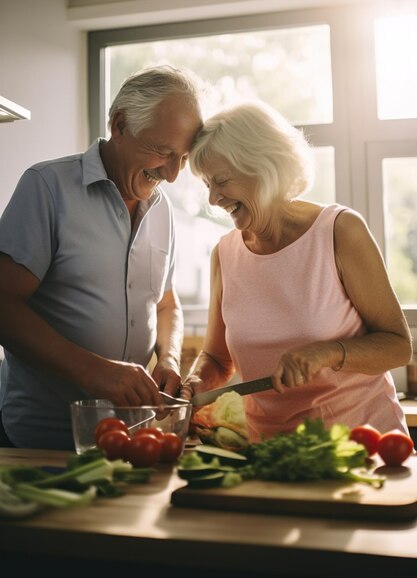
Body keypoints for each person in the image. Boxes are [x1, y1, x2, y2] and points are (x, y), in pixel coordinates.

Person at [180, 101, 413, 442]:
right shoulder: (225, 254)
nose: (214, 199)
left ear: (263, 166)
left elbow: (397, 346)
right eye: (207, 185)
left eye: (221, 181)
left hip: (361, 444)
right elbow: (217, 358)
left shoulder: (339, 230)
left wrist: (326, 353)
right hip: (275, 454)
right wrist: (193, 385)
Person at [0, 65, 204, 449]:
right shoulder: (47, 188)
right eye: (163, 151)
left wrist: (170, 359)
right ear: (120, 124)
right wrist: (93, 371)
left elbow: (164, 302)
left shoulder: (162, 208)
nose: (173, 174)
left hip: (132, 437)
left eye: (183, 157)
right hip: (43, 437)